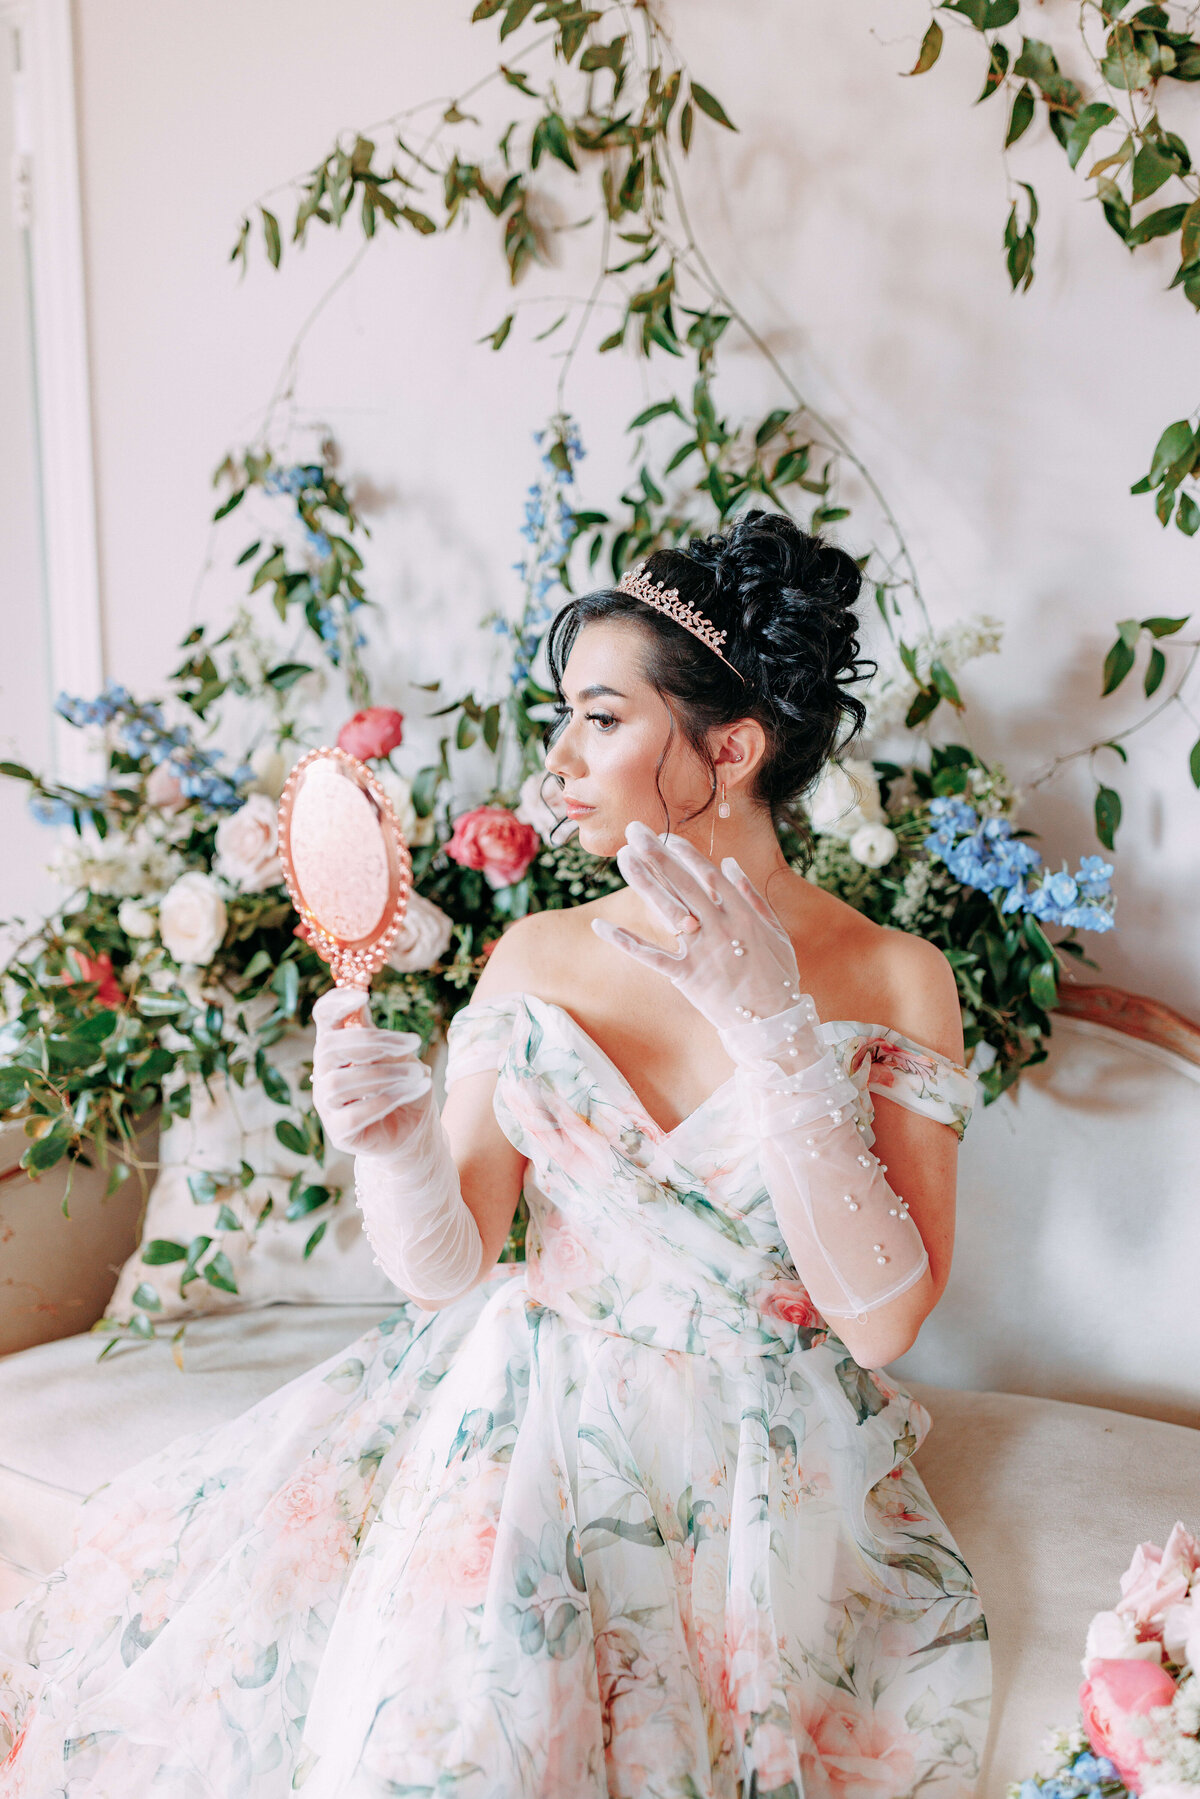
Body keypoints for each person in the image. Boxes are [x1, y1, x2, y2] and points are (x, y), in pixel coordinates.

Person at [0, 511, 989, 1797]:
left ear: (731, 748)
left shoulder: (897, 977)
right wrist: (395, 1145)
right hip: (514, 1393)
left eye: (601, 717)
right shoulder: (538, 956)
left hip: (762, 1440)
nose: (559, 757)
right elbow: (443, 1272)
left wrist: (775, 1031)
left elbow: (884, 1325)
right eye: (565, 715)